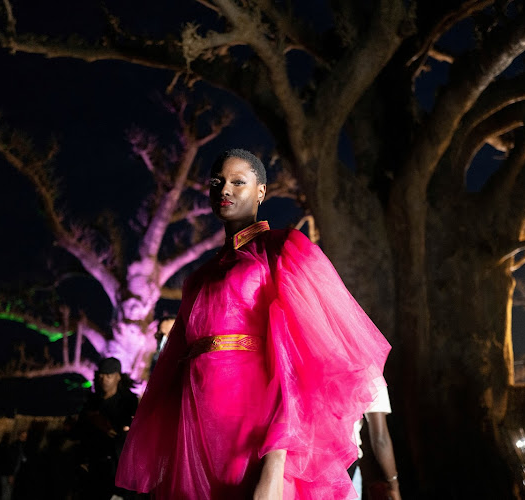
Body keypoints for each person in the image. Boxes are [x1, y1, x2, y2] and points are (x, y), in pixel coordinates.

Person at [116, 149, 391, 499]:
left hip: (256, 429)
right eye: (217, 182)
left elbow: (299, 366)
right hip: (195, 430)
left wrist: (275, 464)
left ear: (261, 191)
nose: (224, 190)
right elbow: (172, 371)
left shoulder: (283, 250)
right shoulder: (198, 277)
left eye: (238, 182)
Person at [77, 357, 139, 500]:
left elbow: (131, 432)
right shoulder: (92, 402)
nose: (104, 379)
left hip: (118, 468)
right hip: (93, 466)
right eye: (101, 376)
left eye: (109, 376)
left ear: (118, 376)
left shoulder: (128, 401)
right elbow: (81, 431)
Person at [349, 384, 401, 500]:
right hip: (345, 469)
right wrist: (393, 486)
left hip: (306, 468)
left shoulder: (306, 366)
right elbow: (380, 439)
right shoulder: (369, 374)